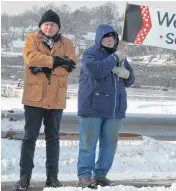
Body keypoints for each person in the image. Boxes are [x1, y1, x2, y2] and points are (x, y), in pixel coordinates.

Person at [13, 9, 77, 190]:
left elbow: (70, 64)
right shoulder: (31, 40)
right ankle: (24, 178)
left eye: (53, 25)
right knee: (29, 138)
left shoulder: (68, 43)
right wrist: (56, 61)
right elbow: (31, 58)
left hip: (56, 99)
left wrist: (46, 66)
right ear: (41, 26)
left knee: (53, 139)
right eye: (46, 24)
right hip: (34, 98)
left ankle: (52, 178)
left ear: (58, 27)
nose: (49, 27)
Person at [76, 24, 135, 188]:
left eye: (113, 37)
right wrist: (115, 58)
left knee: (109, 144)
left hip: (115, 109)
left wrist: (127, 74)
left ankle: (100, 175)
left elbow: (130, 80)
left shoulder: (120, 56)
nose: (110, 39)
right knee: (88, 143)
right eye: (106, 37)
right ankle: (85, 176)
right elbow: (96, 71)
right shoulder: (90, 54)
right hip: (92, 107)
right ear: (99, 39)